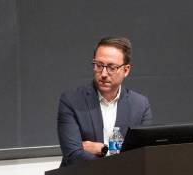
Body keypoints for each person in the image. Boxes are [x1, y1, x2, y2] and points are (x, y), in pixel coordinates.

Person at [57, 36, 153, 166]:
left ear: (126, 70)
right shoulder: (72, 101)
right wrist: (117, 160)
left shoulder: (140, 105)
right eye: (99, 65)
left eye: (111, 67)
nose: (103, 73)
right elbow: (73, 155)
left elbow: (143, 155)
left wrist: (101, 149)